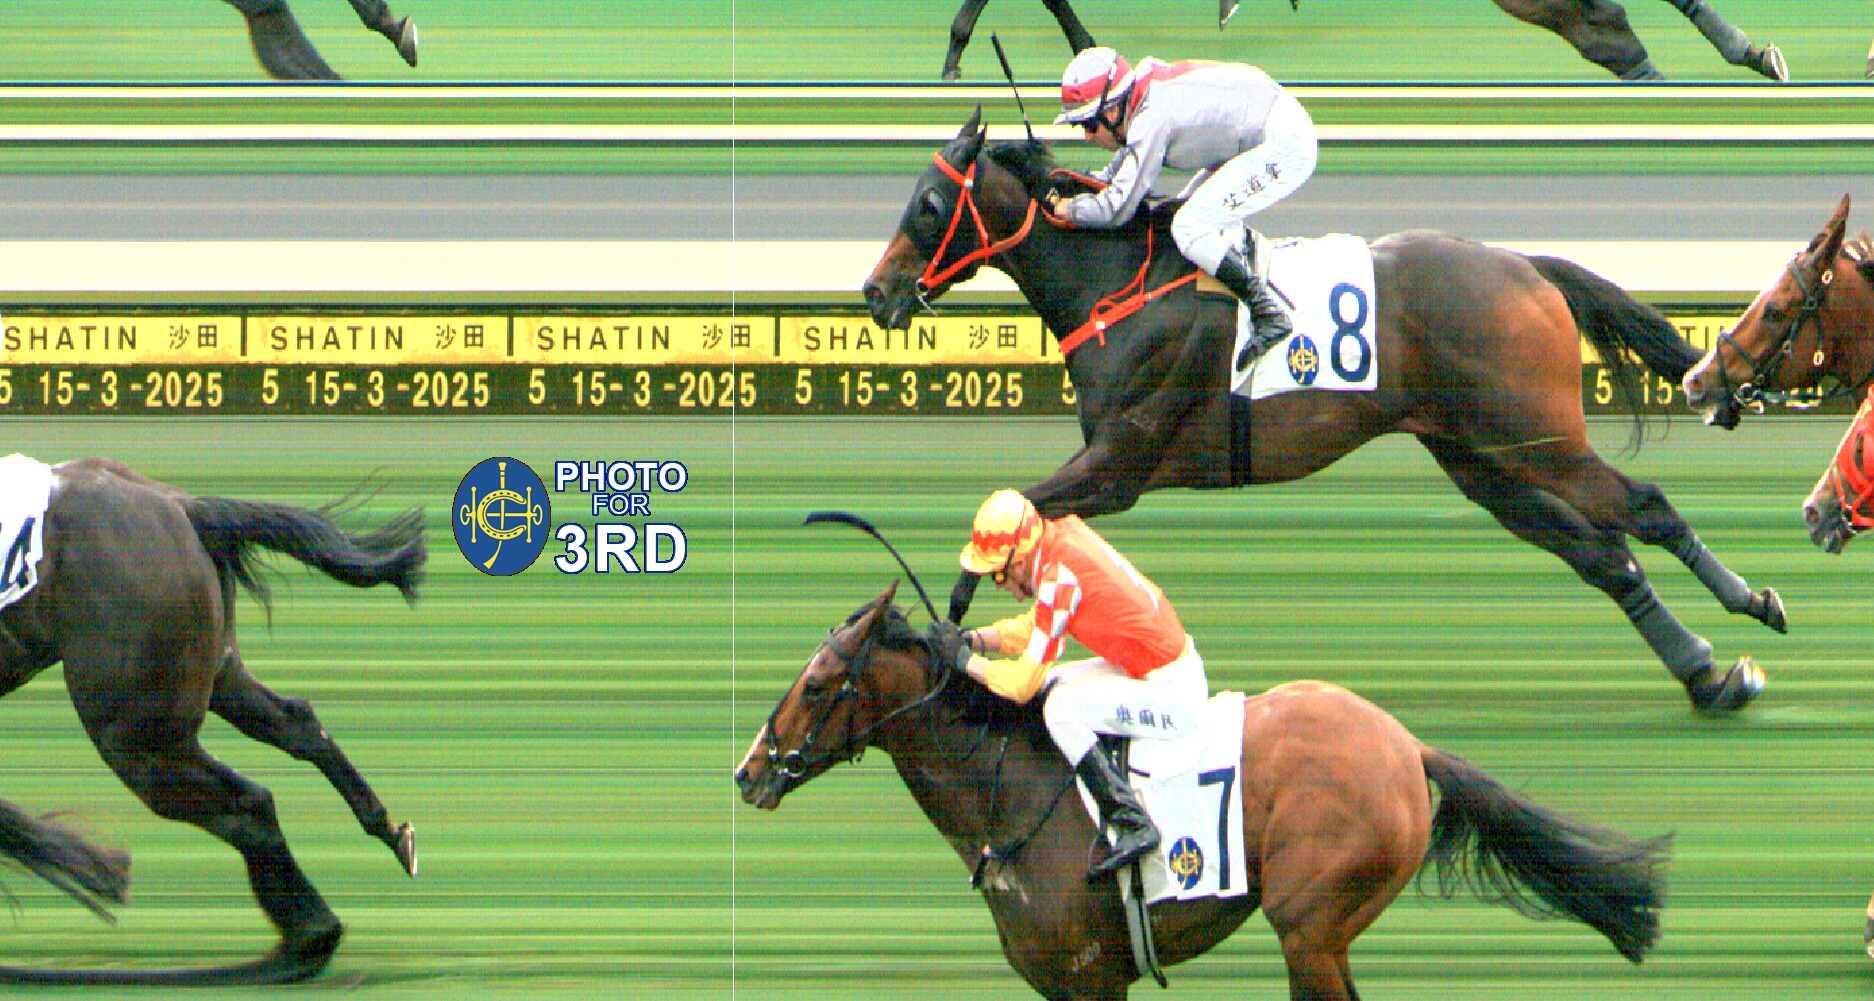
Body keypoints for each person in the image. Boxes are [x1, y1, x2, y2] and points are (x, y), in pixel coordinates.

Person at [929, 490, 1208, 878]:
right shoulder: (1060, 539)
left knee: (1059, 708)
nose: (998, 584)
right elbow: (1037, 624)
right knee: (1054, 684)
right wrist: (975, 640)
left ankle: (1131, 821)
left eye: (998, 573)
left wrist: (964, 661)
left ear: (1019, 560)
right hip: (1152, 668)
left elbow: (1022, 684)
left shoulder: (1060, 578)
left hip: (1173, 692)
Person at [1045, 47, 1316, 364]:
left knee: (1188, 227)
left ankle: (1267, 311)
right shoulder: (1141, 99)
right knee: (1179, 211)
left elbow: (1118, 207)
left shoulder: (1151, 119)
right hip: (1260, 129)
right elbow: (1119, 168)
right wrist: (1080, 182)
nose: (1088, 138)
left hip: (1285, 145)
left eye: (1089, 126)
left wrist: (1069, 210)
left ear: (1113, 111)